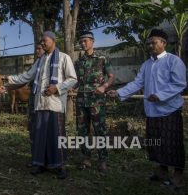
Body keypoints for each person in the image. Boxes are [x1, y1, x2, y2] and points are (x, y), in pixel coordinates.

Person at [107, 29, 186, 188]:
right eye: (148, 43)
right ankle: (162, 171)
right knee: (157, 143)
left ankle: (178, 176)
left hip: (169, 110)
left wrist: (160, 95)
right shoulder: (147, 64)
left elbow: (179, 84)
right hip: (152, 111)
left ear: (163, 43)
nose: (150, 45)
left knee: (173, 144)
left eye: (154, 42)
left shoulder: (173, 61)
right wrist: (119, 92)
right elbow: (137, 83)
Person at [6, 31, 77, 179]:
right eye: (41, 41)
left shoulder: (64, 57)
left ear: (53, 40)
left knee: (57, 135)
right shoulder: (40, 60)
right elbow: (26, 76)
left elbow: (72, 79)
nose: (42, 43)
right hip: (40, 103)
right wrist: (7, 78)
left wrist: (56, 88)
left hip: (55, 103)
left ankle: (60, 166)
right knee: (40, 136)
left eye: (44, 40)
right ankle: (41, 164)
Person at [74, 31, 114, 176]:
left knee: (100, 130)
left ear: (92, 41)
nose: (83, 43)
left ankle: (102, 159)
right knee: (82, 130)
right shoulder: (78, 62)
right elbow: (77, 81)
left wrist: (104, 87)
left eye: (85, 41)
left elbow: (111, 77)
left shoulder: (102, 58)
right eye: (81, 41)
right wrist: (69, 88)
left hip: (97, 100)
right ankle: (86, 157)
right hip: (81, 100)